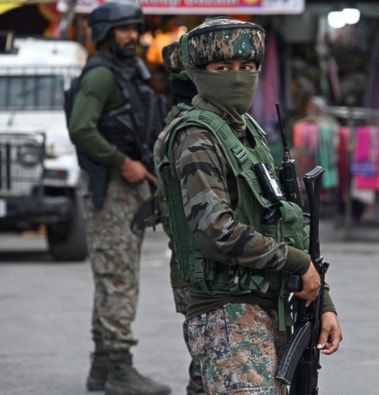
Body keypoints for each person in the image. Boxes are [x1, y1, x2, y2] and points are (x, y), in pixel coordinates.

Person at [153, 17, 343, 394]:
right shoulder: (196, 137)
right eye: (223, 68)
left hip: (271, 306)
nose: (238, 78)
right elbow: (215, 231)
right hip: (227, 312)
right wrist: (296, 262)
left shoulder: (249, 132)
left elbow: (289, 223)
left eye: (248, 68)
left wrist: (323, 300)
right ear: (198, 74)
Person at [67, 2, 171, 395]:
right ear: (105, 34)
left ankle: (102, 369)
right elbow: (81, 128)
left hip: (128, 188)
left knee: (115, 278)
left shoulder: (129, 73)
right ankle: (118, 370)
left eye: (134, 28)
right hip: (109, 188)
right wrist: (121, 162)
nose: (131, 36)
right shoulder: (100, 75)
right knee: (118, 280)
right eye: (123, 30)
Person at [159, 41, 203, 395]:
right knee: (206, 360)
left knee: (204, 359)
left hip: (199, 264)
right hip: (198, 265)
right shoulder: (187, 132)